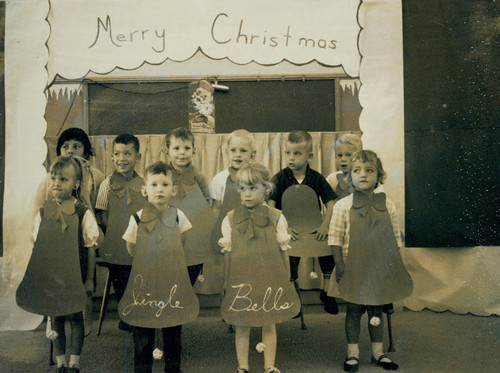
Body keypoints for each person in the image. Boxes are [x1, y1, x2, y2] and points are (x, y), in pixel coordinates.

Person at [329, 150, 413, 372]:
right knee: (354, 310)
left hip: (378, 267)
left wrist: (394, 267)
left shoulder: (388, 205)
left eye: (369, 170)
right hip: (352, 266)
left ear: (379, 175)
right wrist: (339, 266)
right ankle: (352, 354)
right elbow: (335, 239)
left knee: (376, 310)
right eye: (357, 171)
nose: (363, 175)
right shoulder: (343, 206)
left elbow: (396, 240)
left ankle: (378, 353)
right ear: (349, 177)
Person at [17, 157, 99, 373]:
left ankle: (74, 363)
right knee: (56, 319)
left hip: (76, 275)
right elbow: (38, 247)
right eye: (53, 178)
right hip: (53, 277)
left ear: (76, 184)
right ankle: (61, 362)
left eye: (63, 179)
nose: (56, 183)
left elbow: (90, 246)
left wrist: (89, 278)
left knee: (75, 317)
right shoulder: (43, 212)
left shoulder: (83, 212)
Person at [219, 163, 300, 373]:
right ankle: (242, 366)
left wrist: (287, 279)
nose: (247, 194)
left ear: (266, 189)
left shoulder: (276, 217)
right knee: (242, 324)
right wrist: (227, 282)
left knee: (268, 322)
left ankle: (269, 365)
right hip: (241, 279)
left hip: (269, 279)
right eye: (243, 188)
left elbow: (284, 250)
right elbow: (227, 253)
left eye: (253, 188)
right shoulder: (229, 218)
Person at [120, 162, 199, 373]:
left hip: (171, 282)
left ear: (173, 190)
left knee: (173, 330)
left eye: (165, 184)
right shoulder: (136, 218)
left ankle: (173, 369)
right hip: (144, 283)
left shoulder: (178, 216)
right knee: (143, 332)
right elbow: (131, 247)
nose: (159, 189)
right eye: (154, 184)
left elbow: (184, 242)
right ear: (144, 190)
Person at [269, 131, 338, 314]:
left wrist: (325, 225)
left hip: (315, 229)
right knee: (290, 262)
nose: (291, 158)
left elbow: (331, 203)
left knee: (328, 255)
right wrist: (284, 228)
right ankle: (293, 299)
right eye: (288, 153)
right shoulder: (280, 178)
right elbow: (270, 205)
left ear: (310, 156)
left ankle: (327, 292)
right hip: (291, 232)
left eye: (297, 153)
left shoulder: (316, 178)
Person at [95, 134, 147, 331]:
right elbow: (102, 215)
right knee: (120, 275)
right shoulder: (106, 184)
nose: (121, 158)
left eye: (127, 153)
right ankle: (126, 312)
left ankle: (139, 311)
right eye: (117, 154)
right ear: (111, 157)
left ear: (138, 157)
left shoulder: (144, 184)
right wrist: (115, 235)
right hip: (114, 244)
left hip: (138, 245)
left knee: (140, 275)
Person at [209, 129, 256, 294]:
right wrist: (214, 233)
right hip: (227, 232)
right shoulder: (220, 179)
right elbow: (215, 209)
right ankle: (228, 303)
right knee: (228, 272)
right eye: (233, 151)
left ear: (253, 154)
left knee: (250, 270)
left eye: (243, 151)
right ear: (226, 152)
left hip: (251, 231)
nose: (238, 155)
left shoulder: (256, 178)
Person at [166, 127, 214, 286]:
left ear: (194, 150)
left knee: (190, 273)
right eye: (176, 148)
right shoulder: (163, 174)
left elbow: (207, 202)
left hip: (194, 234)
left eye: (187, 148)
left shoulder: (197, 176)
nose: (182, 153)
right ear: (167, 150)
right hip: (170, 232)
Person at [34, 127, 104, 215]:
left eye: (76, 147)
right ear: (59, 152)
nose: (70, 151)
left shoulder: (96, 176)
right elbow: (38, 210)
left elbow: (101, 212)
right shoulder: (50, 178)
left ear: (85, 153)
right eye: (65, 147)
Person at [326, 134, 363, 200]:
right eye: (340, 155)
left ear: (359, 156)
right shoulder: (332, 179)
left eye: (348, 155)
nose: (343, 159)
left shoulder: (363, 177)